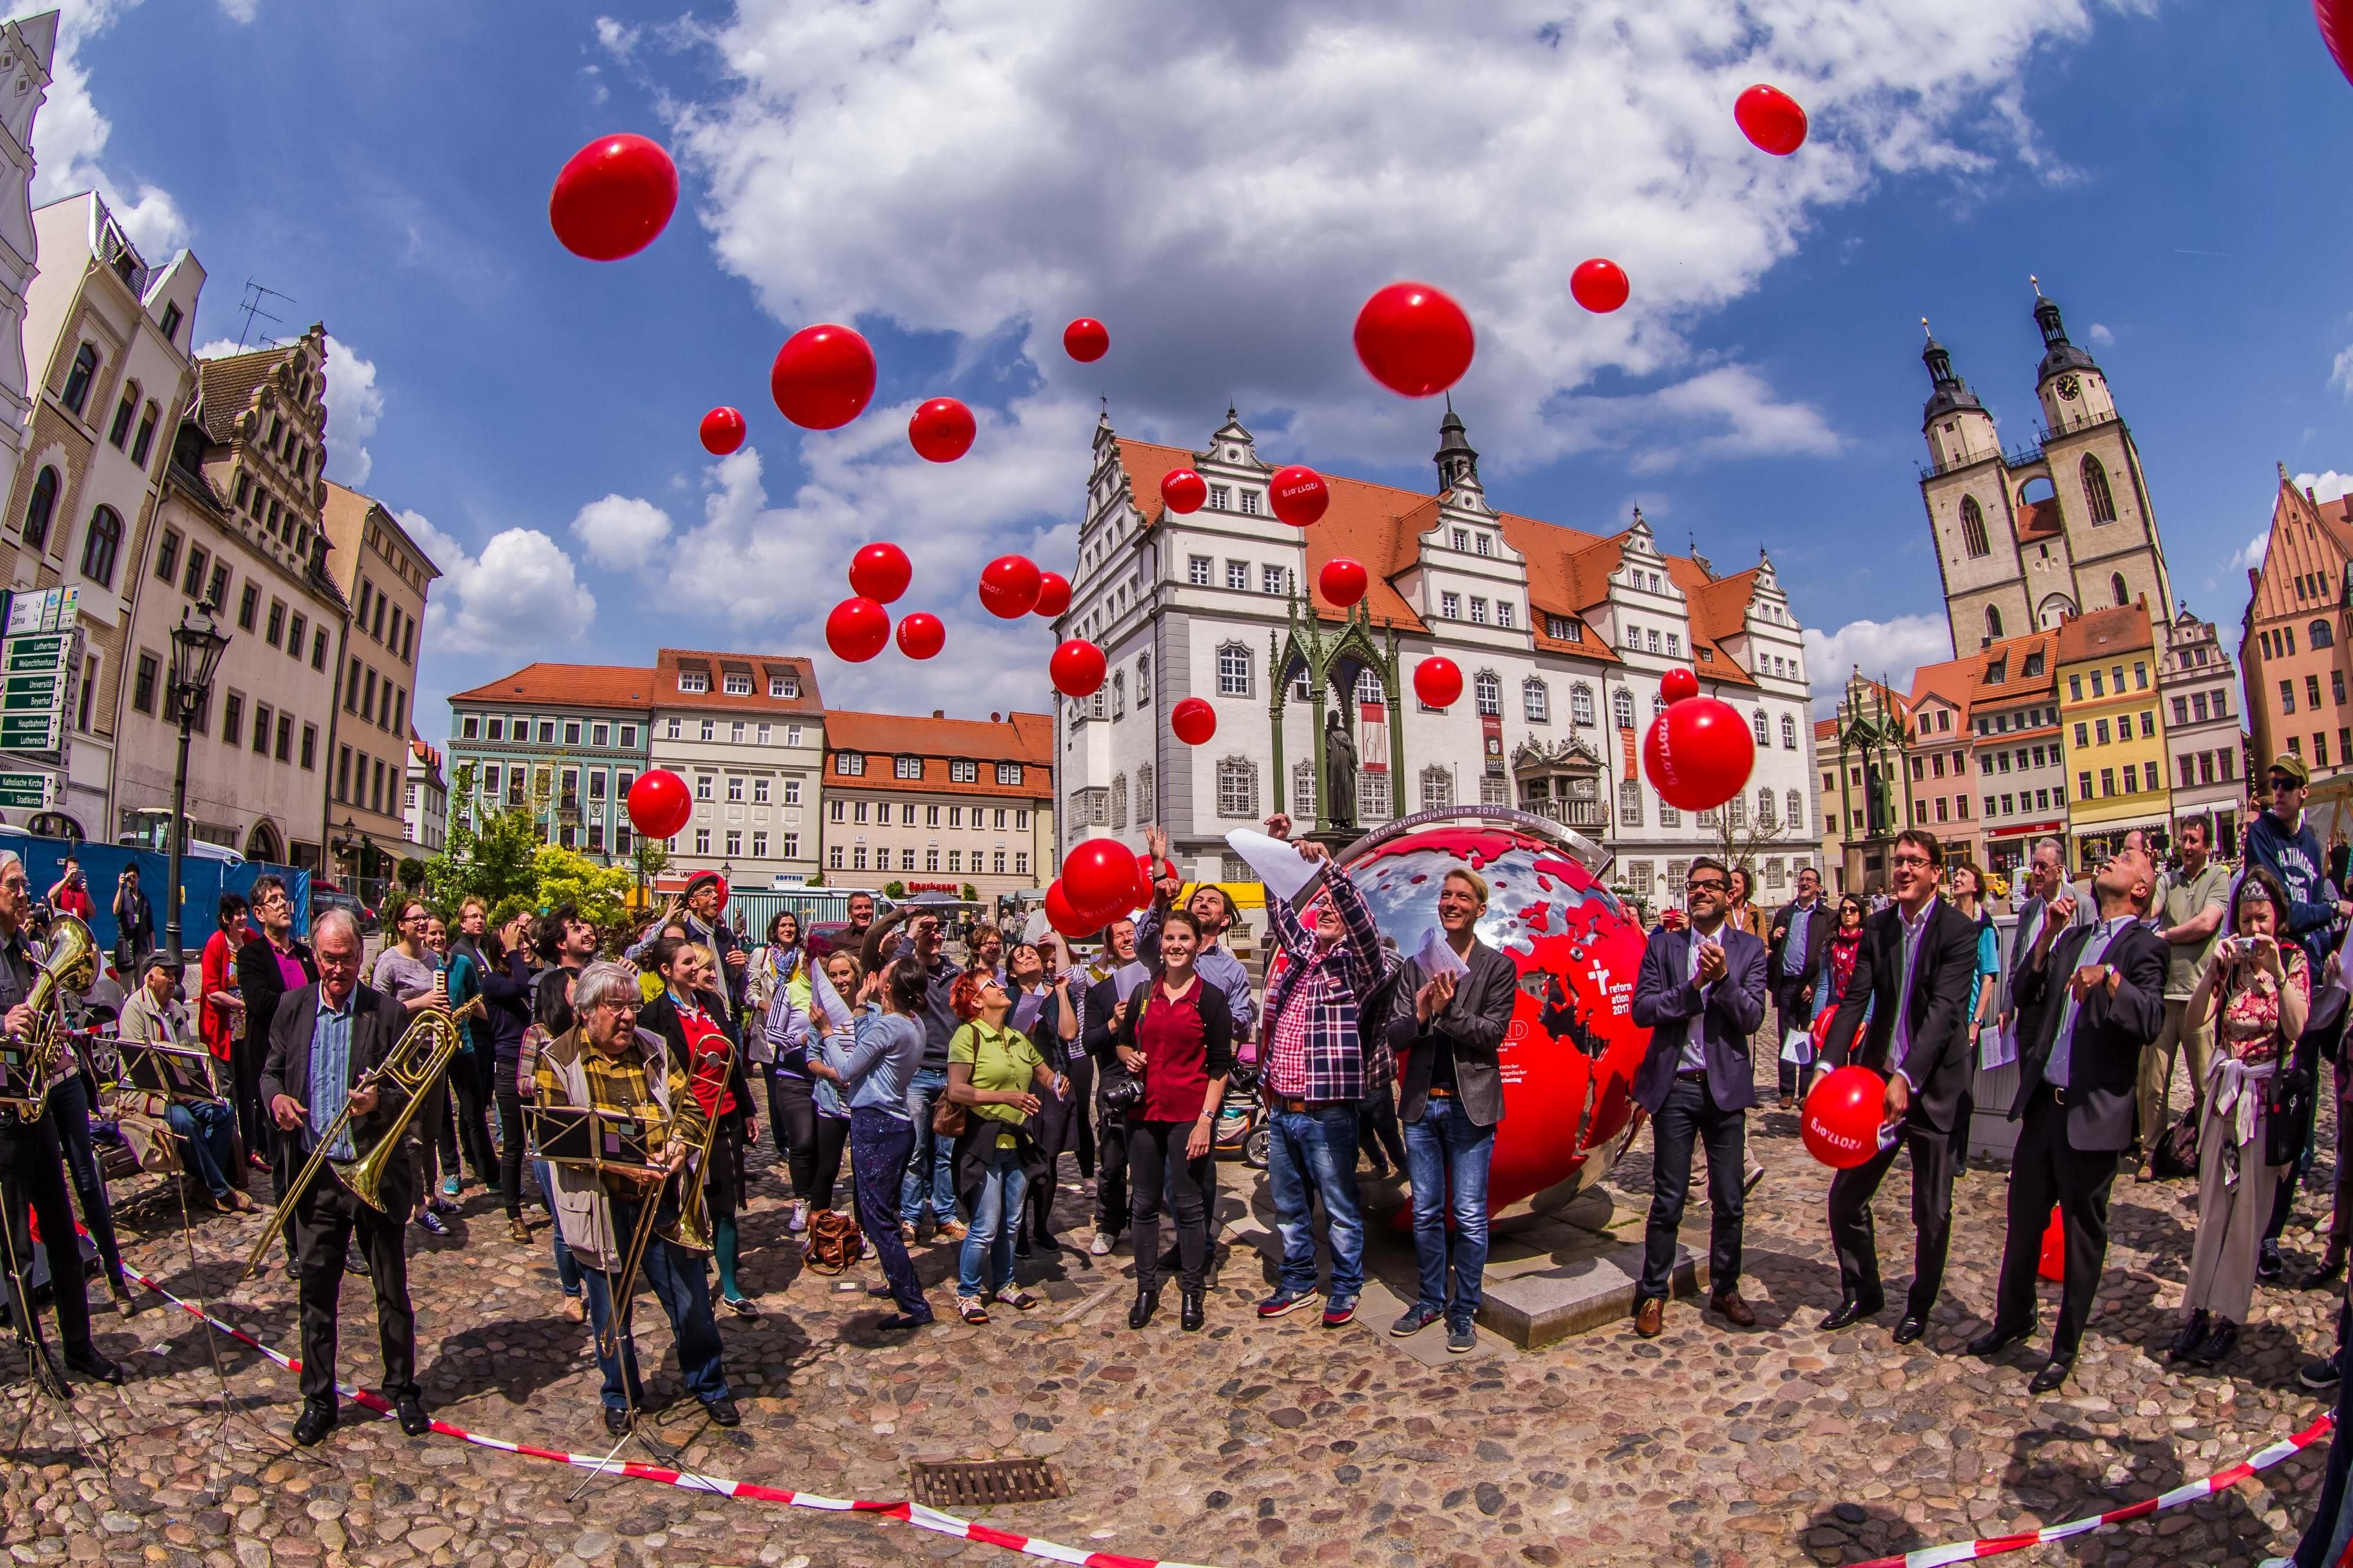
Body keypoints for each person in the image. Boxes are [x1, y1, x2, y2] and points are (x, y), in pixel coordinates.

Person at [1968, 841, 2165, 1395]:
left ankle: (2064, 1347)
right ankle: (2014, 1318)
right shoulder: (2074, 936)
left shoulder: (2146, 946)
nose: (2112, 858)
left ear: (2141, 889)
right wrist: (2046, 939)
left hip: (2092, 1114)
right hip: (2045, 1106)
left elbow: (2151, 1020)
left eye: (2126, 859)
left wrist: (2111, 979)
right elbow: (2025, 991)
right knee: (2022, 1220)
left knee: (2082, 1236)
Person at [535, 960, 738, 1434]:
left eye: (632, 1006)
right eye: (616, 1007)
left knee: (691, 1302)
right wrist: (618, 1164)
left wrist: (680, 1145)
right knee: (610, 1310)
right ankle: (620, 1393)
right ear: (586, 1011)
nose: (628, 1016)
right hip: (601, 1203)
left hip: (662, 1198)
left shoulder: (654, 1047)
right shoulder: (557, 1059)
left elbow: (690, 1108)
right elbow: (555, 1139)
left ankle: (709, 1385)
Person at [260, 908, 428, 1444]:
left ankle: (402, 1389)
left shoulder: (387, 1012)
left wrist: (380, 1101)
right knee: (315, 1295)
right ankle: (318, 1400)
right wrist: (276, 1099)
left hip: (374, 1173)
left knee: (391, 1291)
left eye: (348, 958)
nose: (338, 969)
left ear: (362, 957)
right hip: (316, 1175)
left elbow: (415, 1094)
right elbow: (269, 1072)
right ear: (315, 957)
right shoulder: (292, 1007)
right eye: (329, 959)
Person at [1815, 830, 1982, 1342]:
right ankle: (1863, 1291)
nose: (1904, 869)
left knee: (1932, 1213)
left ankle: (1920, 1305)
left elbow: (1945, 1012)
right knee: (1846, 1199)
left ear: (1936, 873)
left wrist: (1907, 1076)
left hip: (1933, 1088)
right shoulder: (1879, 927)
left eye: (1915, 861)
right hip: (1878, 1088)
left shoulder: (1959, 931)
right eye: (1899, 861)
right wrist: (1827, 1064)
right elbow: (1855, 998)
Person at [1253, 815, 1397, 1328]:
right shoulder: (1299, 958)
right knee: (1290, 1207)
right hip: (1282, 1110)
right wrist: (1273, 850)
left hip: (1326, 1111)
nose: (1328, 912)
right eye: (1323, 908)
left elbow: (1363, 926)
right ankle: (1297, 1281)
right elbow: (1280, 911)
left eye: (1335, 909)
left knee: (1339, 1204)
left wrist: (1332, 873)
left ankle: (1347, 1285)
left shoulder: (1360, 967)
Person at [2171, 869, 2310, 1369]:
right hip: (2225, 1097)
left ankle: (2230, 1314)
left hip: (2263, 1101)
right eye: (2247, 920)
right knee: (2213, 1207)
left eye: (2262, 919)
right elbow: (2195, 1020)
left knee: (2247, 1212)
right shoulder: (2230, 965)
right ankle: (2198, 1310)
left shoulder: (2293, 959)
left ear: (2278, 918)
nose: (2254, 929)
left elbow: (2297, 1025)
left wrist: (2276, 971)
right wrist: (2214, 970)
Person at [1628, 856, 1769, 1336]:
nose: (1702, 892)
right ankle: (1653, 1293)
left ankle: (1725, 1288)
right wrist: (1694, 987)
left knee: (1729, 1198)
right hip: (1676, 1088)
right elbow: (1643, 1010)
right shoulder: (1664, 947)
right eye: (1694, 886)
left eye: (1712, 885)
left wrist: (1724, 980)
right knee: (1668, 1198)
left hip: (1724, 1089)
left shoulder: (1749, 949)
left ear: (1730, 894)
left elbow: (1752, 1018)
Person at [0, 849, 123, 1400]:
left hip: (38, 1106)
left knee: (62, 1230)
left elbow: (49, 1020)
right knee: (18, 1253)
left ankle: (79, 1343)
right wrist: (4, 1021)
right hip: (3, 1120)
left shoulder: (28, 952)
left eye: (24, 884)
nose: (24, 893)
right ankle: (35, 1354)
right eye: (13, 885)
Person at [1385, 866, 1517, 1353]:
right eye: (1446, 896)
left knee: (1469, 1214)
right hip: (1422, 1106)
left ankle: (1465, 1311)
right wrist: (1421, 1014)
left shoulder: (1498, 967)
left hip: (1470, 1106)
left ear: (1480, 909)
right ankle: (1429, 1300)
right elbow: (1395, 1034)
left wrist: (1448, 1012)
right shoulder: (1416, 965)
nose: (1452, 903)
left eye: (1463, 897)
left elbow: (1491, 1035)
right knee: (1425, 1212)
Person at [1111, 907, 1233, 1332]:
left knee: (1189, 1206)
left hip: (1188, 1116)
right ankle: (1146, 1289)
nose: (1176, 946)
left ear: (1197, 945)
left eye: (1184, 938)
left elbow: (1220, 1066)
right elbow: (1122, 1043)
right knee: (1144, 1204)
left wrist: (1206, 1121)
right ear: (1160, 944)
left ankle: (1192, 1291)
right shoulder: (1144, 994)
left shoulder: (1211, 999)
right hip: (1144, 1115)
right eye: (1170, 938)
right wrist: (1129, 1056)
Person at [812, 955, 933, 1329]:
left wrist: (828, 1032)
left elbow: (848, 1068)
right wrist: (862, 1007)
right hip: (893, 1123)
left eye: (885, 974)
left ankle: (914, 1305)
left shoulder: (890, 1026)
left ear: (889, 987)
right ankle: (898, 1282)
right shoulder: (912, 1022)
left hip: (877, 1125)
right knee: (883, 1211)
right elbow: (871, 1045)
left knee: (878, 1218)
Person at [639, 938, 756, 1317]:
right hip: (684, 1121)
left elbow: (732, 1060)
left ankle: (731, 1287)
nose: (697, 969)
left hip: (725, 1116)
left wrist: (749, 1109)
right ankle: (689, 1284)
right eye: (688, 963)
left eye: (697, 962)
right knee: (681, 1201)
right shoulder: (652, 1015)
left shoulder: (712, 1004)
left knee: (724, 1202)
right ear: (667, 970)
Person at [944, 966, 1064, 1322]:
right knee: (986, 1224)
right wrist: (1006, 1097)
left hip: (1018, 1143)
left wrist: (1058, 1083)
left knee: (1012, 1221)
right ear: (976, 1001)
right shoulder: (967, 1036)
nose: (1000, 987)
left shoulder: (1016, 1038)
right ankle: (968, 1292)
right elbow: (956, 1090)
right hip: (983, 1142)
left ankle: (1004, 1283)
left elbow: (1045, 1075)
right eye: (991, 985)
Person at [119, 954, 254, 1214]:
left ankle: (205, 1186)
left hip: (180, 1090)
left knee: (224, 1110)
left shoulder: (175, 1008)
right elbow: (141, 1066)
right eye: (166, 975)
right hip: (148, 1094)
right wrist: (173, 1091)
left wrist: (195, 1086)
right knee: (184, 1122)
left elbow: (185, 1054)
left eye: (174, 975)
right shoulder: (135, 1009)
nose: (173, 981)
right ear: (150, 979)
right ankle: (220, 1189)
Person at [865, 908, 965, 1246]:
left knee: (946, 1152)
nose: (935, 935)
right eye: (927, 930)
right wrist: (910, 935)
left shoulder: (955, 973)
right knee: (916, 1151)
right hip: (918, 1074)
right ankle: (911, 1217)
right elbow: (890, 972)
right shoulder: (907, 972)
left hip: (950, 1072)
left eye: (938, 929)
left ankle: (946, 1214)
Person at [235, 875, 318, 1275]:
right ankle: (294, 1244)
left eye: (285, 898)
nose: (283, 904)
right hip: (276, 1071)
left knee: (319, 1157)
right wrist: (307, 1001)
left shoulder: (305, 954)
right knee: (285, 1162)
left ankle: (325, 1236)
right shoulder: (251, 956)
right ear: (259, 913)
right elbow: (261, 1002)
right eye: (274, 899)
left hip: (313, 1066)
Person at [2143, 818, 2230, 1185]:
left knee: (2204, 1086)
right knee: (2154, 1083)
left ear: (2207, 846)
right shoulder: (2169, 880)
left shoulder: (2218, 877)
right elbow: (2149, 911)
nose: (2187, 846)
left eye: (2194, 840)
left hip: (2200, 997)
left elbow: (2207, 924)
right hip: (2165, 996)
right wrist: (2147, 873)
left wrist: (2165, 936)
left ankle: (2208, 1152)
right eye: (2183, 840)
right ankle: (2150, 1153)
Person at [372, 897, 456, 1238]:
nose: (423, 923)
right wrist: (420, 1003)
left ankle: (431, 1196)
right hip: (406, 1058)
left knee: (433, 1128)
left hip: (433, 1052)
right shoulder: (389, 961)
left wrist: (444, 1012)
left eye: (425, 917)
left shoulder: (434, 959)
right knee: (414, 1133)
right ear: (401, 925)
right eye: (416, 918)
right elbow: (378, 1010)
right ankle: (418, 1205)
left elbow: (440, 1001)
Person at [748, 912, 831, 1235]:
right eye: (819, 965)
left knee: (825, 1144)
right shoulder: (790, 990)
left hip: (826, 1078)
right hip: (794, 1077)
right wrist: (801, 1039)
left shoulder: (833, 993)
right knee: (803, 1140)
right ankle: (802, 1199)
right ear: (807, 962)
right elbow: (772, 1032)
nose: (823, 973)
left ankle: (820, 1204)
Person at [1006, 938, 1082, 1255]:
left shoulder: (1057, 992)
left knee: (1049, 1160)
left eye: (1032, 953)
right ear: (1012, 971)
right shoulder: (1007, 998)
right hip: (1020, 1084)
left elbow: (1069, 1033)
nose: (1029, 957)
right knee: (1021, 1159)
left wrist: (1062, 993)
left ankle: (1041, 1225)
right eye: (1020, 955)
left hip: (1053, 1083)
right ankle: (1018, 1228)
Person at [1081, 916, 1144, 1256]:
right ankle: (1108, 1224)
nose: (1127, 939)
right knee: (1113, 1161)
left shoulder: (1158, 983)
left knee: (1149, 1159)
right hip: (1115, 1080)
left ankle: (1143, 1219)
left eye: (1131, 933)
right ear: (1109, 946)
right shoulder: (1100, 991)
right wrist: (1113, 1023)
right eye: (1119, 935)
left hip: (1152, 1078)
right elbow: (1088, 1042)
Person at [1768, 866, 1833, 1109]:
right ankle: (1786, 1091)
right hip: (1787, 984)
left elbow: (1828, 956)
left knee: (1807, 1037)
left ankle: (1805, 1091)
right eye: (1802, 879)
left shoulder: (1827, 916)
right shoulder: (1785, 913)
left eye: (1810, 881)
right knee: (1786, 1037)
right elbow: (1774, 950)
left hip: (1809, 987)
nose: (1804, 883)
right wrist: (1774, 936)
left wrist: (1814, 986)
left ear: (1818, 887)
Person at [198, 892, 247, 1072]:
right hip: (222, 1026)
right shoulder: (216, 944)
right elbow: (212, 993)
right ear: (226, 919)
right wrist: (243, 1005)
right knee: (227, 1080)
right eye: (238, 914)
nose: (243, 918)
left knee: (246, 1078)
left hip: (245, 1025)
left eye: (245, 913)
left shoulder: (250, 939)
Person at [112, 865, 155, 975]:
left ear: (138, 878)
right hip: (126, 949)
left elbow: (150, 927)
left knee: (142, 983)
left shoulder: (145, 900)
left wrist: (153, 950)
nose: (132, 880)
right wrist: (120, 888)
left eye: (134, 877)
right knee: (126, 984)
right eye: (129, 877)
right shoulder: (122, 895)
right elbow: (115, 911)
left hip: (141, 949)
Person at [811, 892, 878, 963]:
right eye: (858, 908)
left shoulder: (882, 936)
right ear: (849, 914)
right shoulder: (836, 941)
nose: (864, 912)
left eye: (868, 907)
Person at [1725, 865, 1767, 941]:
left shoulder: (1757, 913)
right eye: (1730, 882)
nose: (1732, 885)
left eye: (1737, 882)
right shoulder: (1721, 911)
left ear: (1746, 887)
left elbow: (1764, 943)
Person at [45, 856, 89, 921]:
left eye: (76, 870)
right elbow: (50, 896)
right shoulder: (59, 886)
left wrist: (87, 893)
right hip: (64, 925)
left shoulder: (82, 888)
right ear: (65, 873)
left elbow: (93, 914)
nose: (74, 872)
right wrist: (67, 879)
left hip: (80, 926)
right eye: (71, 870)